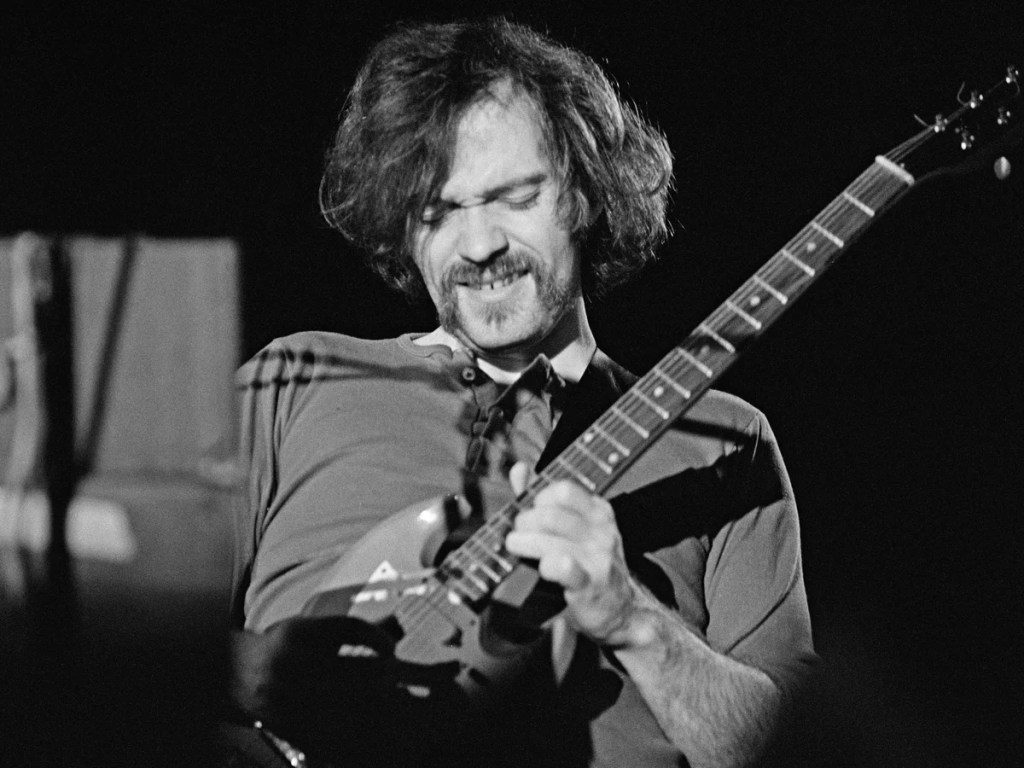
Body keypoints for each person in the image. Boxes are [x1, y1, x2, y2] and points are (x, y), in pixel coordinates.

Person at [226, 17, 815, 768]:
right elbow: (110, 631)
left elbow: (797, 754)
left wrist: (634, 620)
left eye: (514, 197)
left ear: (585, 194)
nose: (479, 245)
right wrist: (256, 674)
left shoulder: (723, 442)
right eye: (438, 212)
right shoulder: (298, 379)